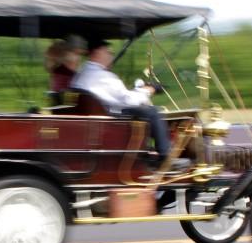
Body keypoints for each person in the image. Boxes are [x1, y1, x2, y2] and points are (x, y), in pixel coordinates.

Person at [70, 38, 189, 169]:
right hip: (111, 117)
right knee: (153, 112)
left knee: (143, 109)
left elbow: (118, 97)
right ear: (97, 53)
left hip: (100, 114)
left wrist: (140, 91)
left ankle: (147, 151)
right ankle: (166, 157)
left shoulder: (82, 73)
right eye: (108, 52)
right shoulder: (101, 76)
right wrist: (149, 90)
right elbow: (127, 100)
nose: (111, 56)